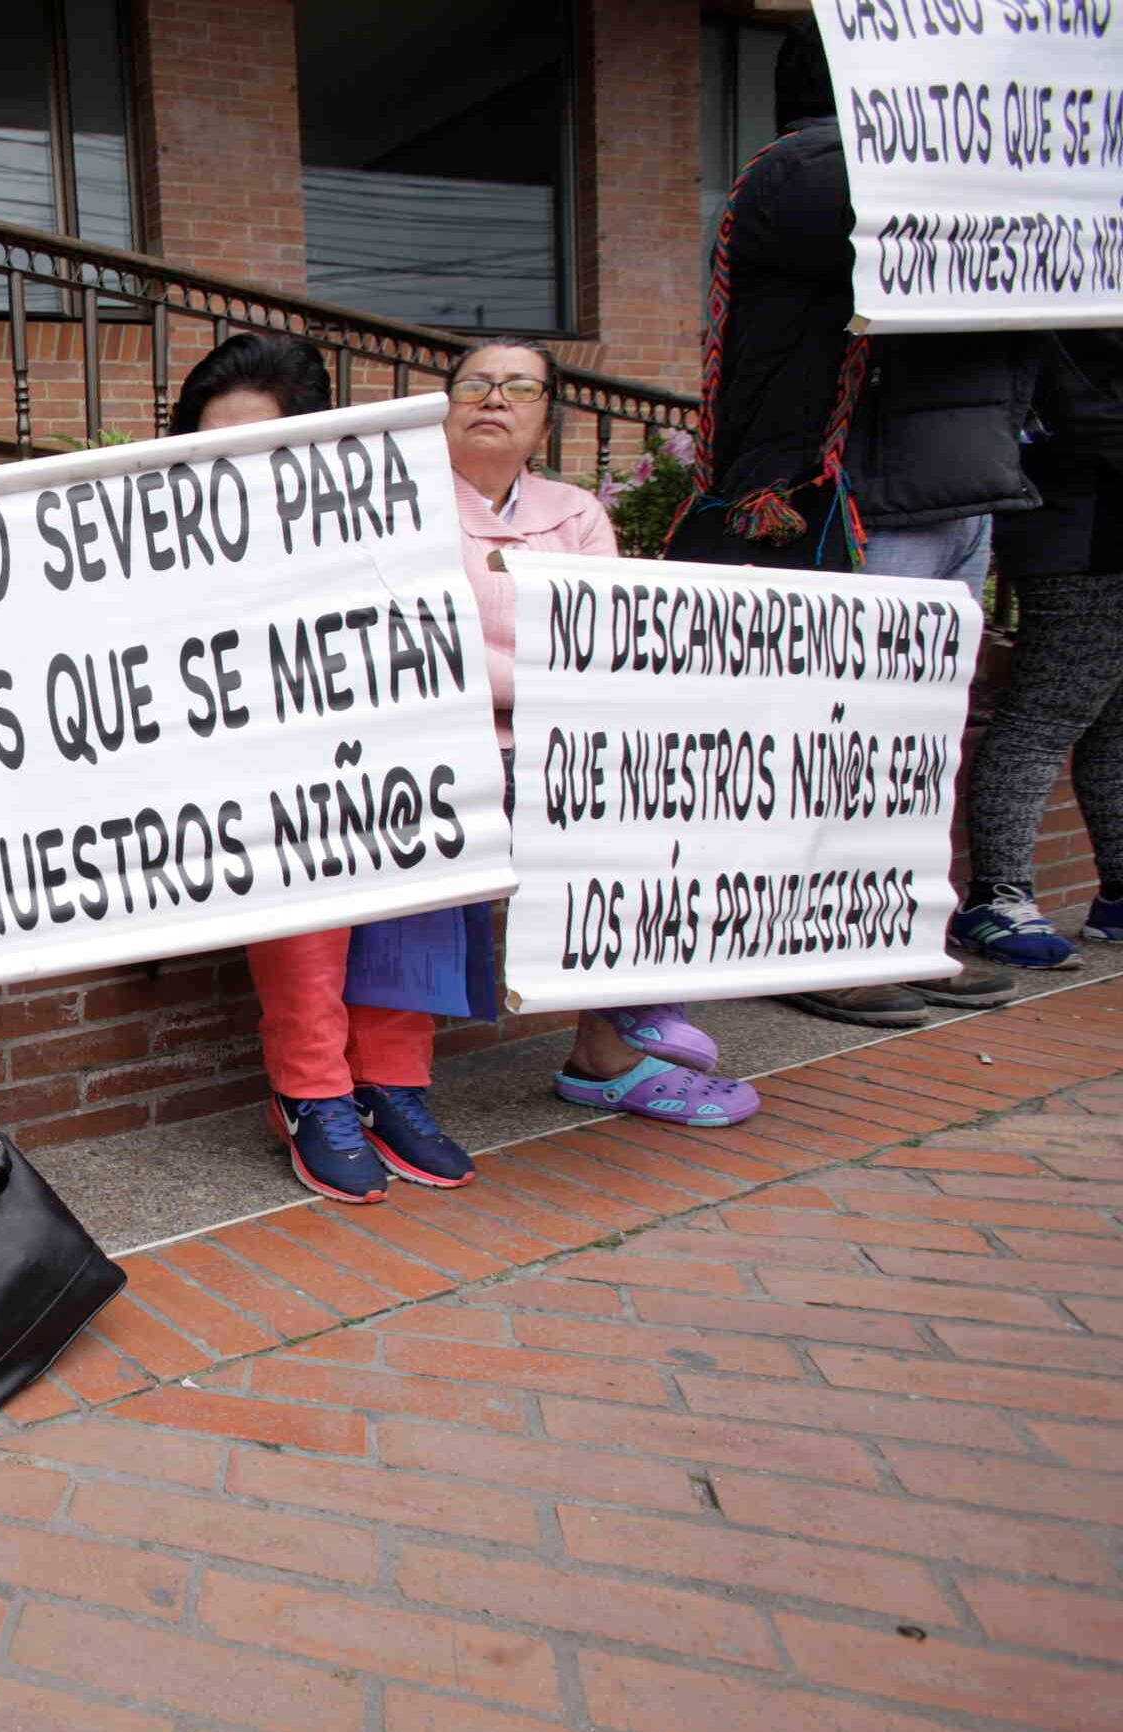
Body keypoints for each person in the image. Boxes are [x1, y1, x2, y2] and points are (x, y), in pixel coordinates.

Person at [666, 16, 1026, 1026]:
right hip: (859, 502)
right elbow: (908, 208)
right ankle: (816, 943)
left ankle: (893, 930)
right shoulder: (802, 171)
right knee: (841, 743)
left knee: (909, 749)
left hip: (945, 490)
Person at [168, 334, 480, 1200]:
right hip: (240, 776)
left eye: (259, 448)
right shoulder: (147, 534)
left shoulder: (376, 524)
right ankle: (310, 1092)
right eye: (209, 446)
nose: (230, 469)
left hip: (370, 750)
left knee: (416, 843)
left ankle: (390, 1083)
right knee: (302, 859)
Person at [445, 338, 763, 1130]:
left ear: (546, 421)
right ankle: (630, 1021)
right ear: (443, 408)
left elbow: (601, 636)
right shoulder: (405, 505)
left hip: (559, 736)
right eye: (475, 384)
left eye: (519, 388)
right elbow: (423, 636)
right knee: (582, 812)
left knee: (674, 789)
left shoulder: (577, 514)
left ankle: (615, 1040)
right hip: (450, 738)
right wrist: (526, 682)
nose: (494, 398)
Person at [953, 329, 1123, 965]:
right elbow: (1082, 411)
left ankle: (1117, 893)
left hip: (1095, 529)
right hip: (1078, 535)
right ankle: (996, 896)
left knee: (1111, 723)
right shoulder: (1079, 301)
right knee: (1044, 718)